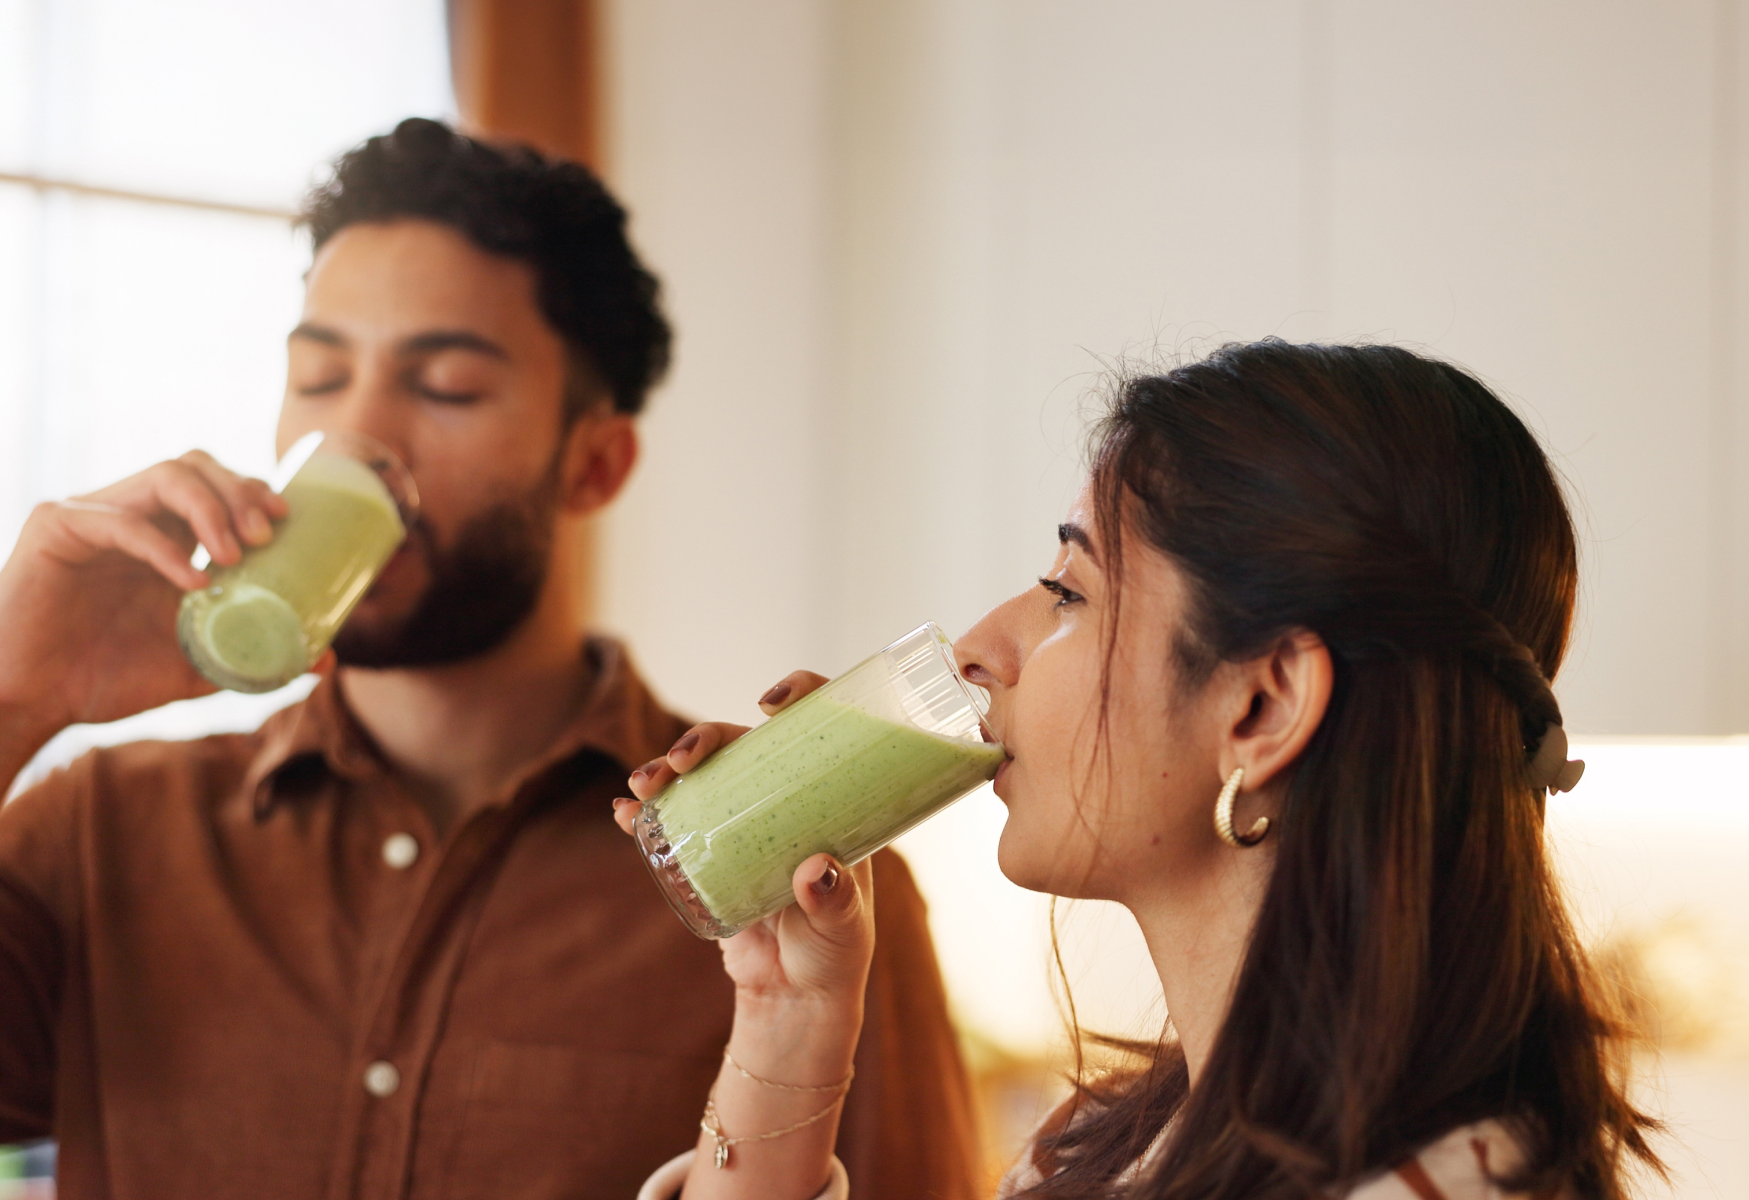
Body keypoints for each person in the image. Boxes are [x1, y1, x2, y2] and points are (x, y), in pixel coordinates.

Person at [0, 118, 979, 1200]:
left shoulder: (784, 885)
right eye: (321, 379)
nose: (359, 436)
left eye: (447, 385)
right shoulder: (109, 836)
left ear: (594, 465)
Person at [619, 340, 1663, 1200]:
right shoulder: (1098, 1157)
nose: (980, 648)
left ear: (1263, 706)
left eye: (1069, 592)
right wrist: (789, 1017)